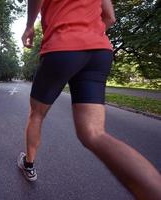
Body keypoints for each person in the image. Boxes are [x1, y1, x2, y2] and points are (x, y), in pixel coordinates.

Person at [17, 0, 161, 199]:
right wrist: (90, 35)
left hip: (62, 45)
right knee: (94, 133)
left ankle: (29, 165)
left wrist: (29, 26)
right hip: (99, 52)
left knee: (37, 115)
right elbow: (110, 17)